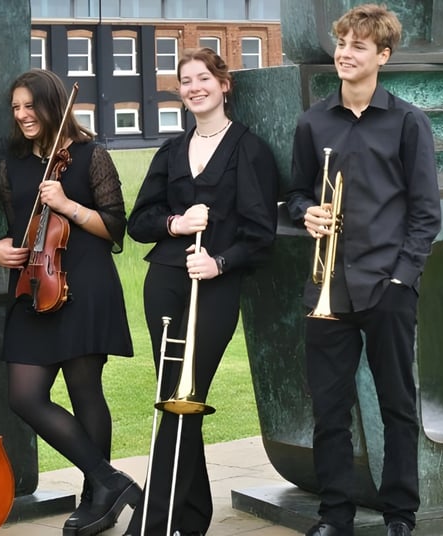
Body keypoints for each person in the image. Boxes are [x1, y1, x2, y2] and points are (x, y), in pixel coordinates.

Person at [285, 5, 441, 536]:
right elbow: (295, 193)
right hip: (326, 289)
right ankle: (336, 517)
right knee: (329, 413)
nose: (345, 53)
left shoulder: (407, 121)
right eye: (342, 43)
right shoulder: (313, 122)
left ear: (383, 56)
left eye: (358, 46)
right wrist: (304, 211)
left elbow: (425, 213)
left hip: (386, 288)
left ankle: (401, 515)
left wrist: (403, 278)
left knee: (398, 407)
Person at [124, 48, 278, 536]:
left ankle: (152, 524)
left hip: (214, 288)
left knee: (185, 396)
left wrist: (219, 262)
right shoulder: (172, 150)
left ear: (223, 84)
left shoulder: (248, 149)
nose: (194, 87)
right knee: (173, 399)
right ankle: (190, 518)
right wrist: (175, 223)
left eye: (202, 78)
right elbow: (139, 222)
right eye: (185, 81)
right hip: (164, 285)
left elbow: (261, 234)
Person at [0, 69, 138, 536]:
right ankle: (111, 481)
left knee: (85, 390)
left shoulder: (92, 157)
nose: (22, 115)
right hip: (34, 285)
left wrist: (69, 205)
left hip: (85, 284)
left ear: (52, 104)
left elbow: (115, 229)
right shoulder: (12, 165)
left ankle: (97, 500)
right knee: (24, 396)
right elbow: (20, 228)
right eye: (15, 108)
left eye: (30, 106)